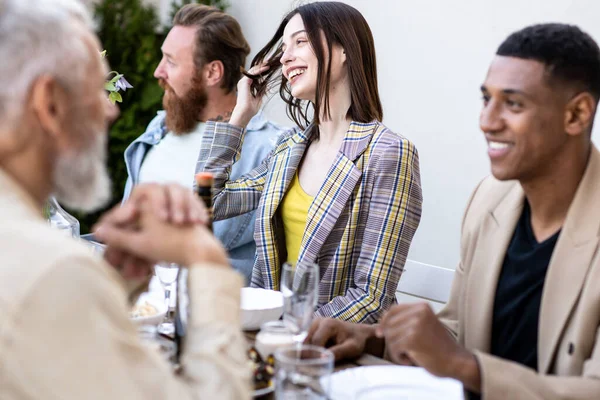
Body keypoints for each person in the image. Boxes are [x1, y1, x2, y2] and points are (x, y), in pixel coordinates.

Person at [306, 23, 600, 400]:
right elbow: (458, 333)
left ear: (576, 115)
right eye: (486, 100)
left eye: (513, 104)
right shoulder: (489, 200)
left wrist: (465, 367)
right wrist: (371, 339)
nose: (487, 122)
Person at [0, 1, 250, 398]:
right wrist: (206, 261)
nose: (110, 112)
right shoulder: (52, 268)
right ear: (48, 103)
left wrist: (114, 288)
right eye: (93, 89)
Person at [197, 1, 422, 323]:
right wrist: (240, 116)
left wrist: (292, 333)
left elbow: (372, 298)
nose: (286, 57)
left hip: (332, 350)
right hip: (268, 338)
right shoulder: (289, 148)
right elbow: (207, 203)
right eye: (284, 47)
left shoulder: (389, 153)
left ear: (344, 50)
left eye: (300, 42)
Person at [123, 4, 282, 283]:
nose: (158, 72)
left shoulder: (268, 149)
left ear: (212, 73)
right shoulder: (157, 130)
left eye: (171, 62)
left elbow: (265, 265)